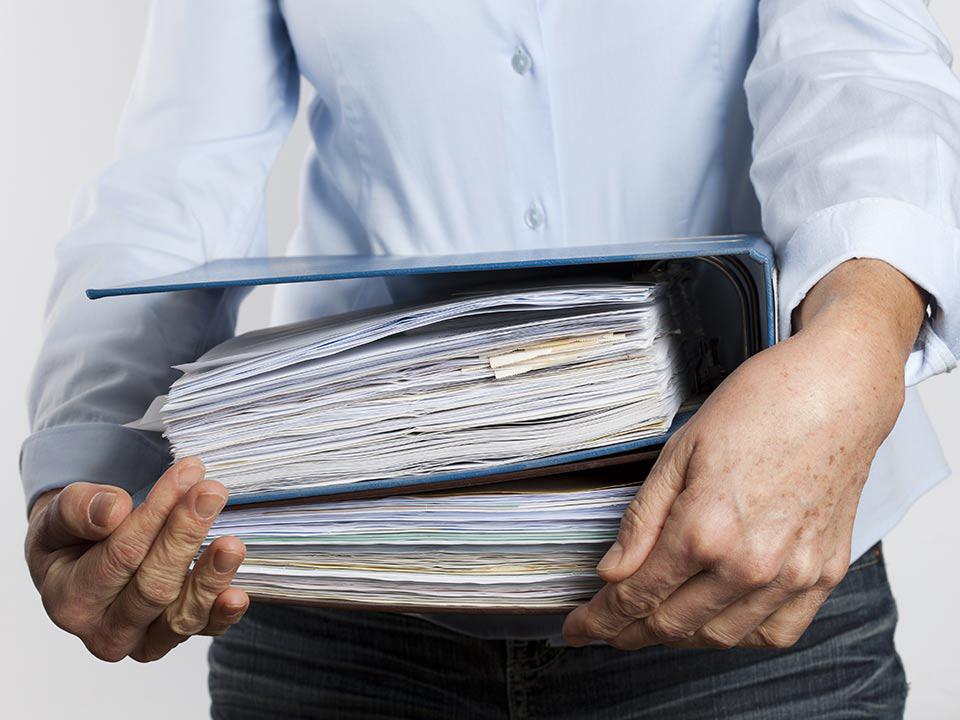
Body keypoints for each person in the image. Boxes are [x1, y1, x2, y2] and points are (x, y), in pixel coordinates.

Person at [21, 1, 959, 718]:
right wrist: (91, 468)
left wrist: (859, 341)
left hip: (748, 578)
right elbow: (178, 169)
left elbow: (864, 70)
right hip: (341, 580)